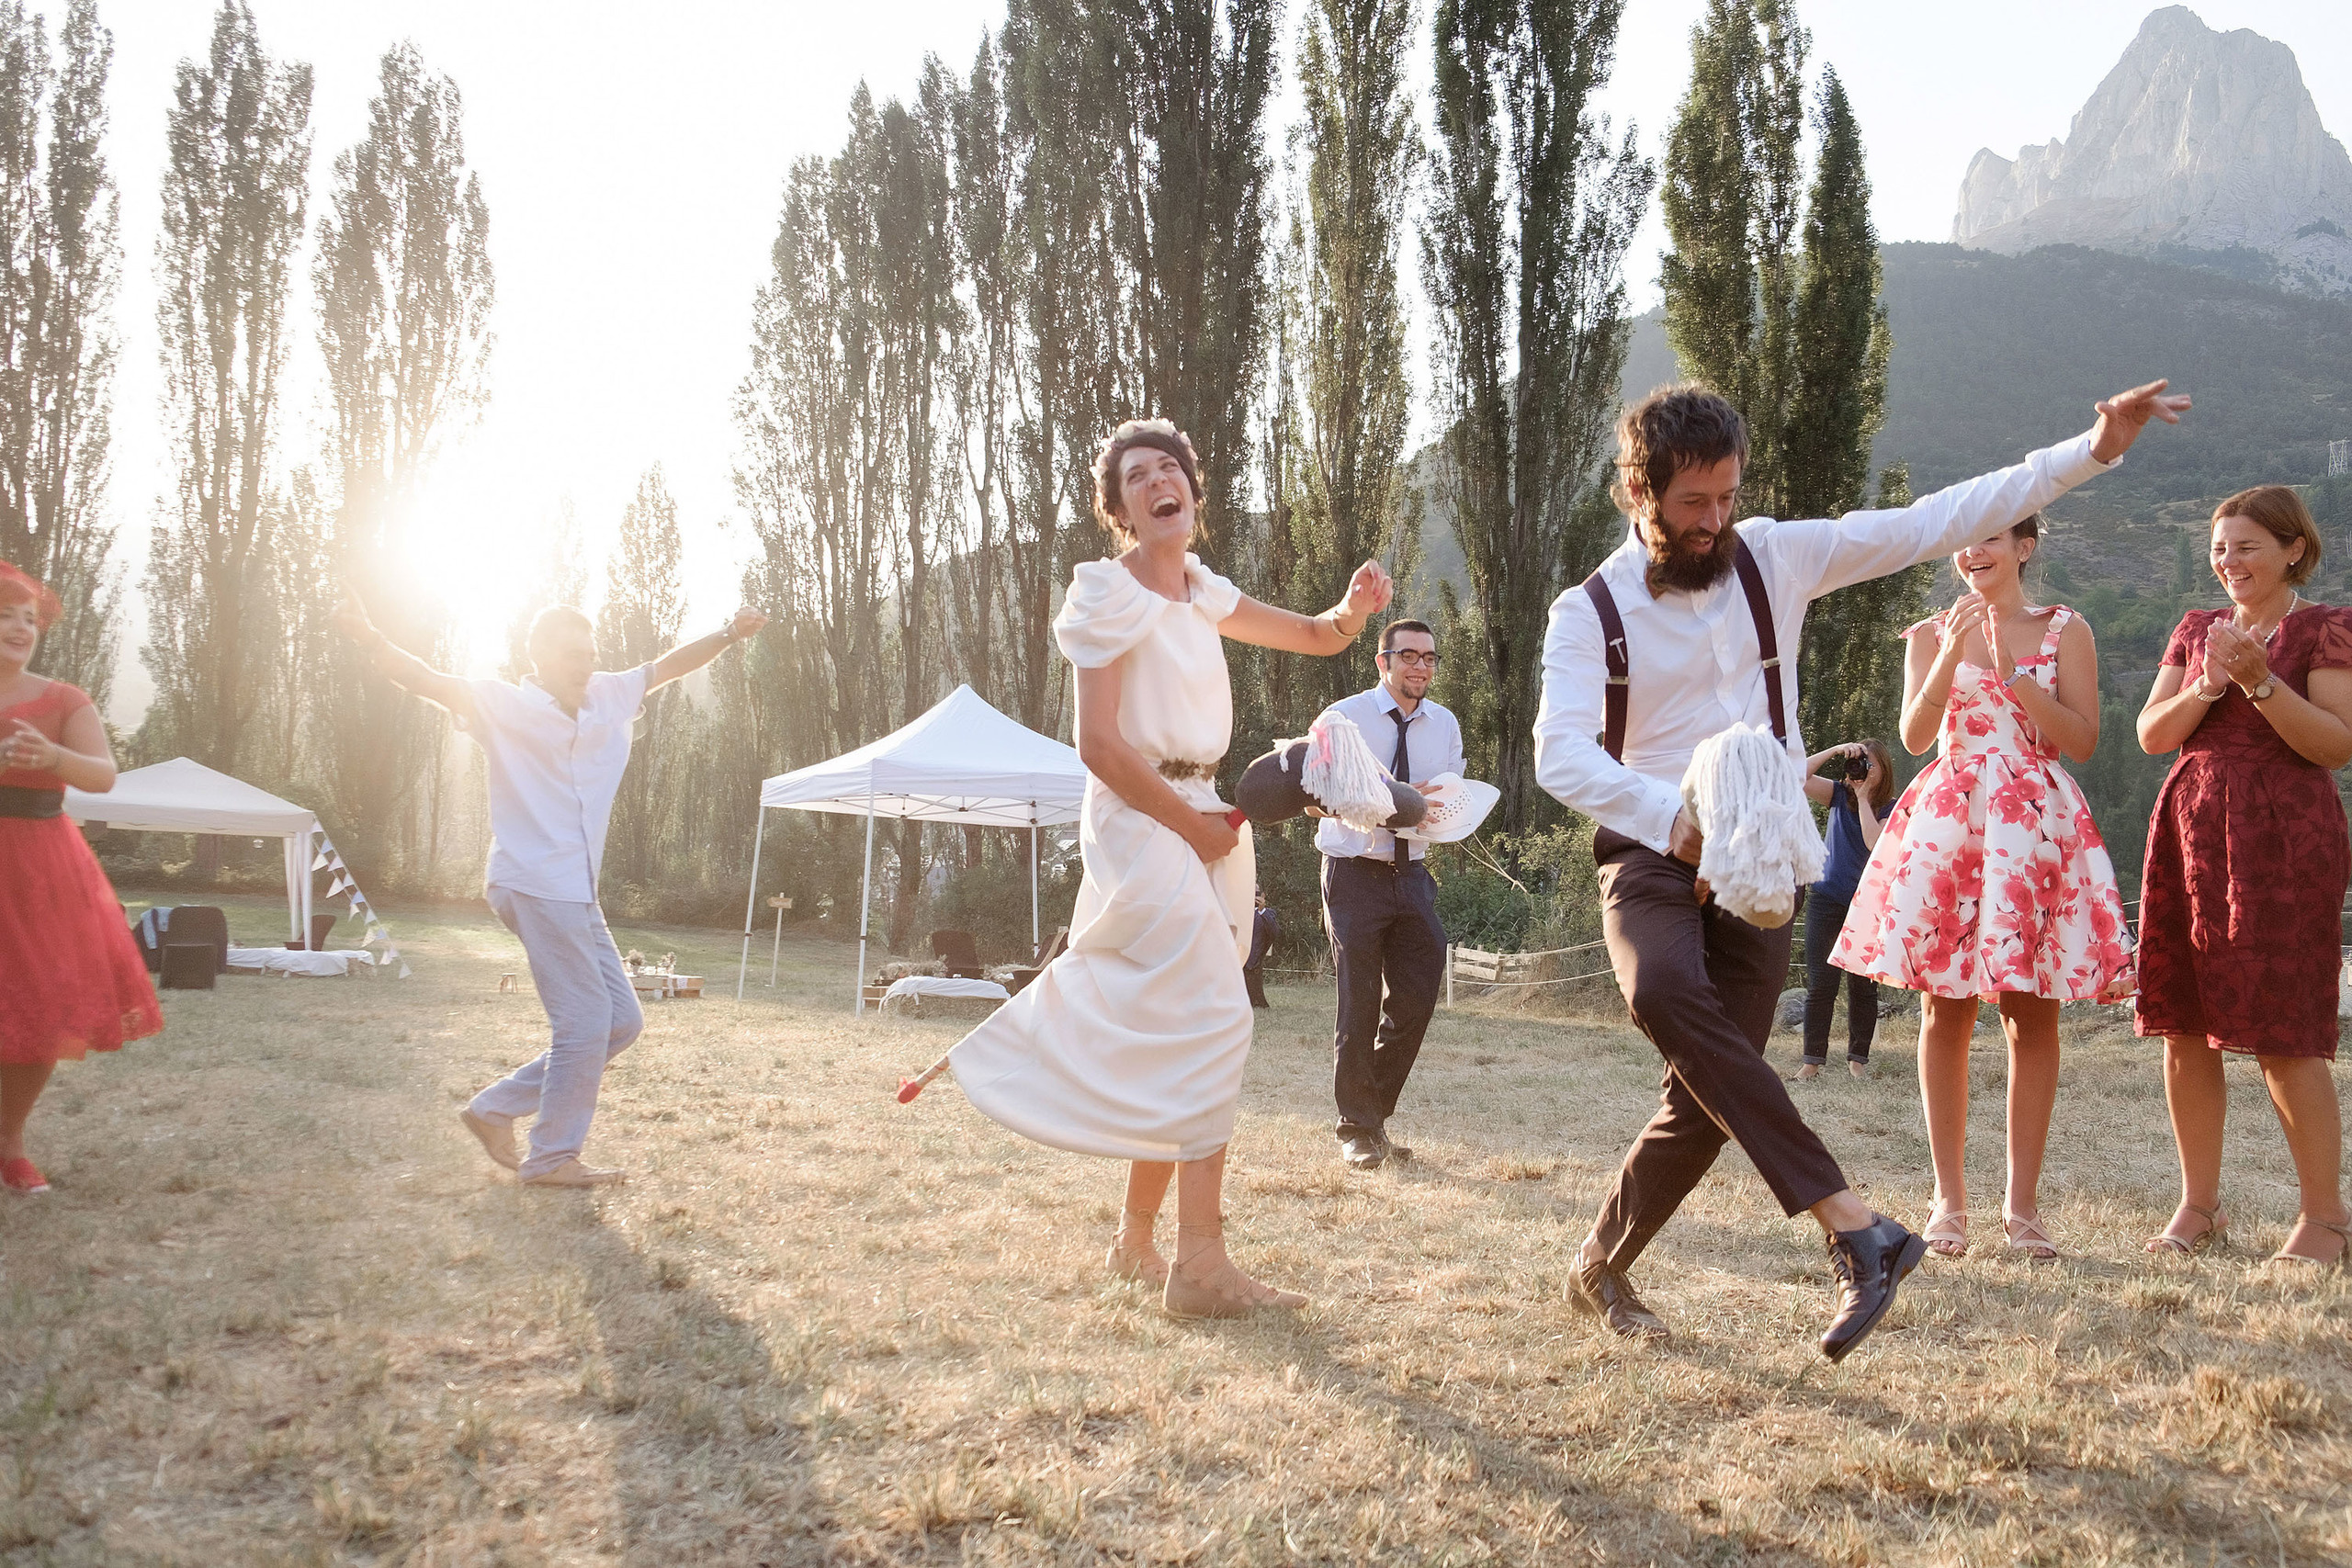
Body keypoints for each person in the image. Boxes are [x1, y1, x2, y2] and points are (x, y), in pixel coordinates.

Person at [1532, 377, 2188, 1360]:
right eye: (1690, 504)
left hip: (1768, 863)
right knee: (1666, 991)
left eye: (1726, 497)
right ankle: (1855, 1227)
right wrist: (1675, 827)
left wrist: (2091, 450)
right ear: (1638, 492)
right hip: (1654, 850)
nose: (1715, 522)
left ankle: (1598, 1266)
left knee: (1708, 1094)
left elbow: (1936, 519)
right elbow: (1561, 753)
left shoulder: (1779, 556)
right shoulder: (1586, 612)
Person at [942, 417, 1392, 1318]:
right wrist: (1188, 823)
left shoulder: (1202, 591)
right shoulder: (1105, 595)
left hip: (1207, 817)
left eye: (1169, 466)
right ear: (1122, 511)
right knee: (1215, 1018)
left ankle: (1135, 1243)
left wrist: (1354, 610)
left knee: (1179, 1021)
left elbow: (1312, 634)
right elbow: (1099, 745)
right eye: (1136, 474)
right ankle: (1200, 1266)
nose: (1157, 479)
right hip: (1144, 817)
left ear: (1191, 490)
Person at [334, 592, 769, 1187]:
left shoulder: (609, 695)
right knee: (585, 1021)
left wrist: (728, 633)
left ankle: (494, 1109)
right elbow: (425, 679)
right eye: (571, 655)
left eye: (590, 654)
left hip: (576, 890)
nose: (585, 665)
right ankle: (551, 1156)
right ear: (537, 655)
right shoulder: (502, 704)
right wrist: (369, 636)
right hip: (534, 880)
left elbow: (668, 666)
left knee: (620, 1021)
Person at [1833, 514, 2132, 1263]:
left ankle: (2023, 1209)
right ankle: (1948, 1202)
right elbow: (1910, 735)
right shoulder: (1929, 633)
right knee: (1945, 1010)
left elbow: (2083, 739)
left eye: (1992, 537)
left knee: (2033, 1015)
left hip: (2032, 826)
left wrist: (2012, 671)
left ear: (2024, 547)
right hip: (1951, 823)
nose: (1973, 551)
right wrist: (1947, 656)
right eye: (1964, 538)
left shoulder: (2066, 628)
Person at [2134, 486, 2352, 1267]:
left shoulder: (2327, 627)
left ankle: (2326, 1219)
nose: (2230, 563)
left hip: (2285, 839)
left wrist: (2261, 681)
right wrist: (2208, 684)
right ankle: (2200, 1205)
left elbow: (2333, 745)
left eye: (2248, 547)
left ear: (2294, 548)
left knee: (2284, 1028)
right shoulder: (2195, 629)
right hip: (2191, 832)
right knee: (2185, 1022)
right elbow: (2152, 735)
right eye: (2221, 548)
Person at [0, 562, 163, 1194]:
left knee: (40, 1002)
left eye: (29, 618)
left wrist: (54, 758)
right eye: (6, 613)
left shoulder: (65, 699)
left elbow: (102, 775)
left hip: (40, 867)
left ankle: (10, 1143)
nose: (20, 626)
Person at [1314, 618, 1463, 1170]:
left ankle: (1369, 1111)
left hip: (1413, 876)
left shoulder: (1445, 725)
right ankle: (1357, 1130)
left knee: (1419, 997)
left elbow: (1446, 802)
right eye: (1408, 656)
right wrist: (1389, 799)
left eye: (1429, 657)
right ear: (1383, 662)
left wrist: (1437, 808)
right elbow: (1310, 800)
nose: (1420, 666)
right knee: (1358, 1003)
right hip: (1353, 871)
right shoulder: (1341, 719)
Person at [1795, 740, 1891, 1079]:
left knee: (1863, 987)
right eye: (1858, 764)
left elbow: (1873, 842)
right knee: (1821, 985)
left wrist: (1864, 798)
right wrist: (1835, 750)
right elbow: (1796, 775)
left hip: (1866, 905)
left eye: (1869, 766)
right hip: (1825, 898)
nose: (1861, 771)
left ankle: (1857, 1061)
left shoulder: (1891, 809)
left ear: (1883, 771)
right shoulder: (1836, 794)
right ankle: (1811, 1062)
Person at [1242, 889, 1278, 1010]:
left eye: (1257, 893)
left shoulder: (1268, 914)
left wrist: (1262, 910)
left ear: (1263, 895)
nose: (1254, 896)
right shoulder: (1238, 912)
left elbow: (1275, 933)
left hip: (1253, 962)